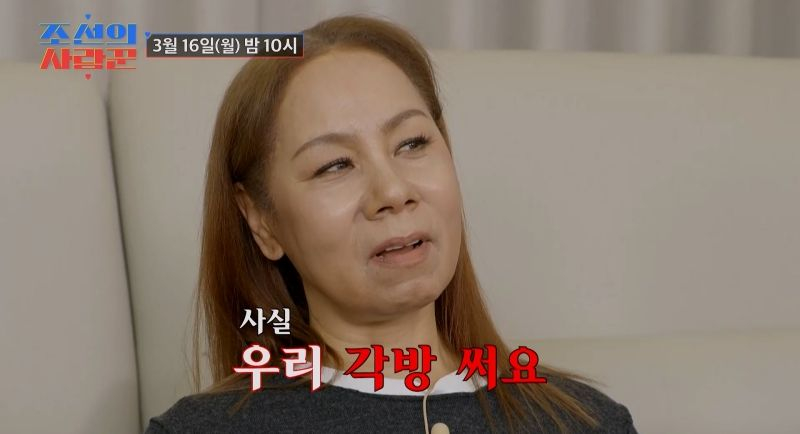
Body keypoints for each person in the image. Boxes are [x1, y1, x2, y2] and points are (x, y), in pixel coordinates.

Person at [145, 14, 637, 434]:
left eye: (412, 143)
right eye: (334, 165)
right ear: (261, 221)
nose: (393, 192)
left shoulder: (588, 422)